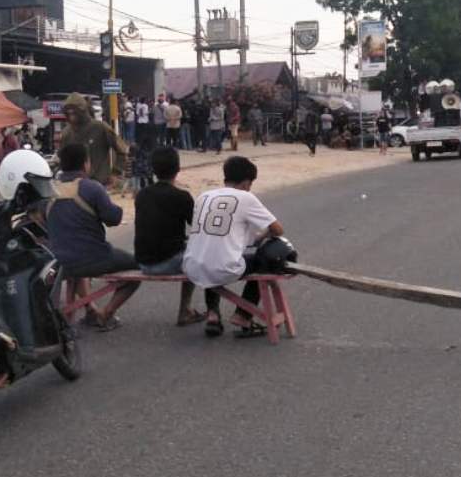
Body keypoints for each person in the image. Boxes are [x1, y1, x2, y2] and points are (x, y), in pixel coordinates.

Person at [183, 156, 285, 338]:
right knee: (265, 260)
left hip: (192, 266)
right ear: (246, 183)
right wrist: (264, 235)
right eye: (250, 184)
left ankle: (213, 313)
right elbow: (278, 229)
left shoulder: (204, 196)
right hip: (221, 267)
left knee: (213, 253)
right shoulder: (246, 197)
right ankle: (243, 315)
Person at [44, 143, 140, 332]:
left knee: (77, 264)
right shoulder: (92, 188)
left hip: (58, 261)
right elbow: (114, 219)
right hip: (94, 257)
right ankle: (106, 314)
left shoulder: (49, 190)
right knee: (136, 268)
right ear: (85, 163)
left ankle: (91, 310)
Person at [134, 148, 206, 327]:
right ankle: (185, 310)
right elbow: (198, 227)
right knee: (199, 256)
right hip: (168, 262)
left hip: (143, 262)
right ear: (178, 169)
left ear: (153, 169)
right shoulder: (182, 196)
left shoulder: (142, 195)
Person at [58, 93, 128, 186]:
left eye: (74, 112)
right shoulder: (66, 133)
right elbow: (61, 157)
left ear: (83, 111)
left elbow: (122, 150)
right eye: (68, 113)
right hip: (73, 185)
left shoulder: (100, 128)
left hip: (99, 183)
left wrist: (116, 173)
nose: (71, 116)